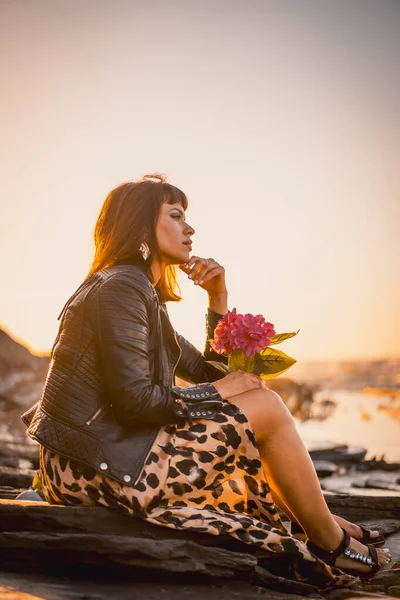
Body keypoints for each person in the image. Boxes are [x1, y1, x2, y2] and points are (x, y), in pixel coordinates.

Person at [22, 173, 393, 589]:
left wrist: (218, 298)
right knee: (265, 407)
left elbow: (207, 372)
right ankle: (329, 540)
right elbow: (136, 402)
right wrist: (225, 390)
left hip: (102, 454)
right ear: (141, 226)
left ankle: (316, 517)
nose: (190, 228)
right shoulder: (121, 288)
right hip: (90, 467)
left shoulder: (138, 291)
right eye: (176, 216)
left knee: (255, 398)